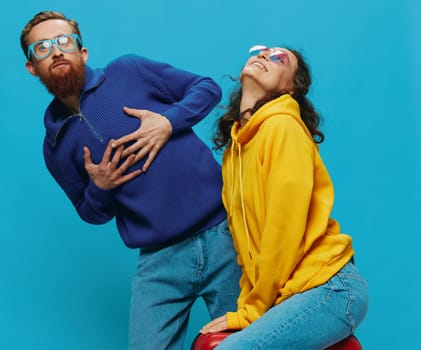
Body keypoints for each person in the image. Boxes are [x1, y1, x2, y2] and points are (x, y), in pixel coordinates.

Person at [20, 11, 241, 350]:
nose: (56, 51)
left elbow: (206, 88)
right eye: (42, 48)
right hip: (159, 259)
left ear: (83, 52)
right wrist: (100, 187)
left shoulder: (129, 70)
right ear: (32, 67)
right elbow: (90, 212)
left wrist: (168, 122)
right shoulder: (55, 148)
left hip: (224, 234)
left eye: (64, 41)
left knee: (254, 341)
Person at [200, 45, 368, 349]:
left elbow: (283, 231)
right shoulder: (235, 151)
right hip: (291, 294)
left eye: (278, 57)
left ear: (291, 88)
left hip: (330, 288)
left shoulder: (283, 126)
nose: (263, 55)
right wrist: (246, 306)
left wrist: (252, 311)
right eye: (259, 51)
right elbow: (245, 247)